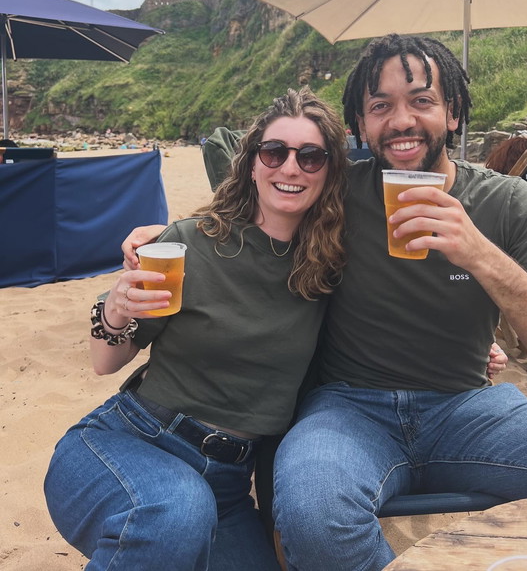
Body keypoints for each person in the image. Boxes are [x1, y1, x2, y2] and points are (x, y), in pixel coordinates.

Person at [268, 34, 527, 571]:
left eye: (421, 100)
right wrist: (161, 237)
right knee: (313, 513)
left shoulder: (507, 202)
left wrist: (479, 253)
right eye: (381, 106)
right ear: (360, 125)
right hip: (350, 409)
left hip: (468, 407)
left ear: (453, 113)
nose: (401, 121)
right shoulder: (333, 191)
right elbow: (244, 210)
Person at [43, 88, 349, 571]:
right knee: (176, 513)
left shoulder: (329, 268)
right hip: (128, 444)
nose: (291, 168)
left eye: (311, 156)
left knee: (190, 514)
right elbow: (105, 362)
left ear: (329, 172)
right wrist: (116, 308)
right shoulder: (191, 243)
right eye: (274, 152)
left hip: (226, 486)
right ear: (252, 165)